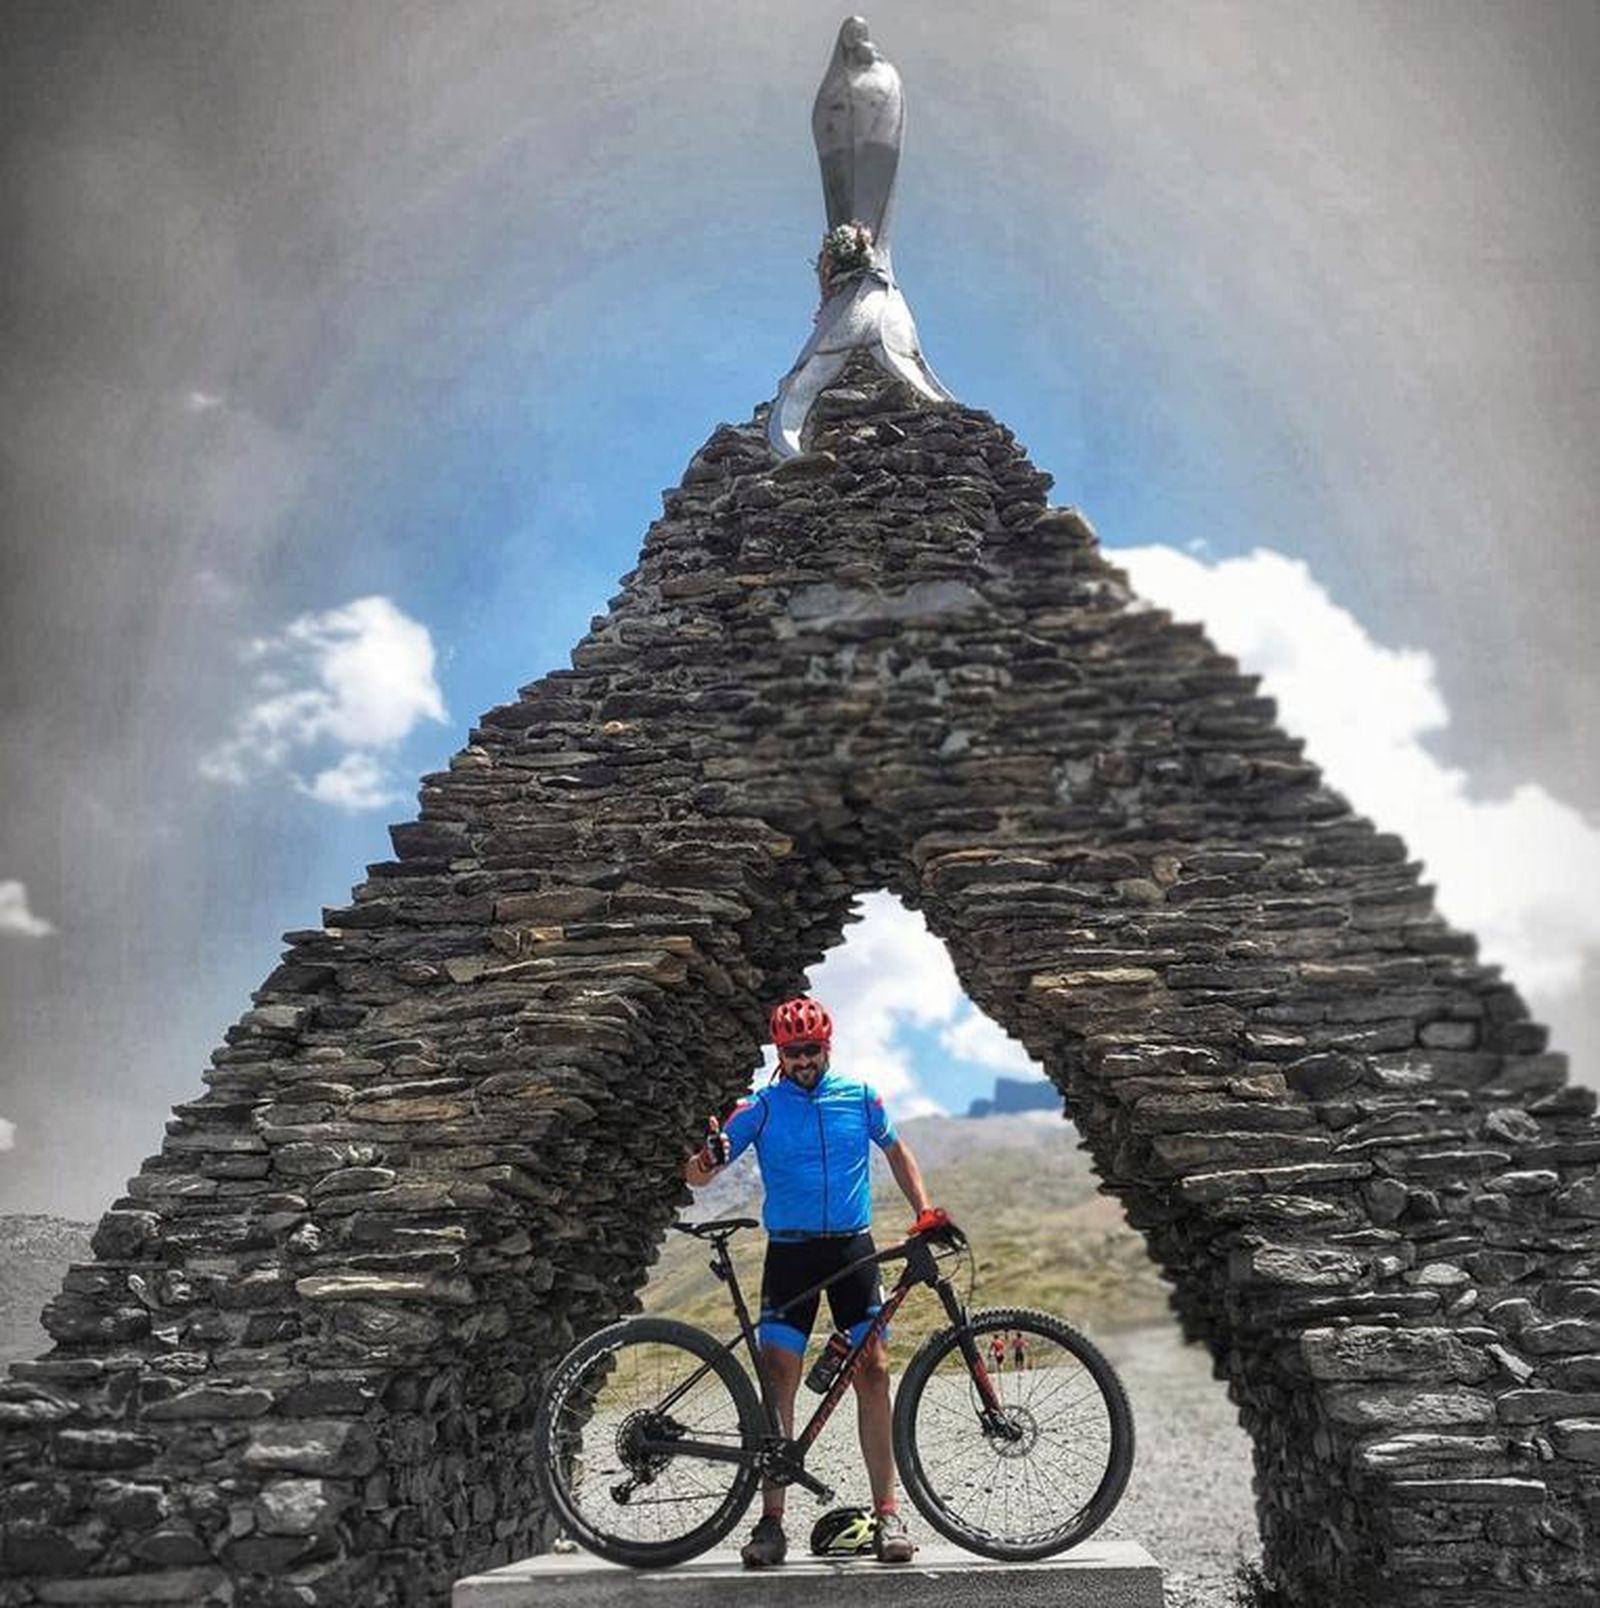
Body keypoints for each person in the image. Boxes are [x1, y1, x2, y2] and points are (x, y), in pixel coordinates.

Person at [684, 995, 939, 1568]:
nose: (802, 1059)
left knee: (873, 1371)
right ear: (779, 1052)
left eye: (811, 1049)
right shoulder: (761, 1106)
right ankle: (772, 1522)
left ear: (828, 1047)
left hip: (852, 1250)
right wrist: (708, 1156)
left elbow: (898, 1150)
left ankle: (888, 1513)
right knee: (780, 1381)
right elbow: (699, 1177)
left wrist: (924, 1210)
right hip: (792, 1253)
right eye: (792, 1050)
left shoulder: (860, 1095)